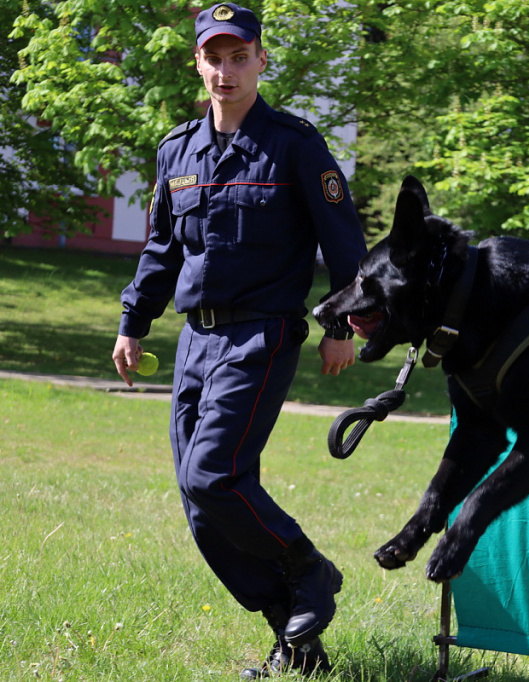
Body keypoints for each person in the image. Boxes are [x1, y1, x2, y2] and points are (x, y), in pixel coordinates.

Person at [110, 3, 367, 677]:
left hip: (261, 336)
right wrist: (134, 322)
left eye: (239, 57)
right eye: (214, 58)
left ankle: (309, 569)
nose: (226, 71)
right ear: (198, 64)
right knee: (201, 506)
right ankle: (296, 642)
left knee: (213, 476)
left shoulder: (295, 144)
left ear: (260, 60)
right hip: (195, 342)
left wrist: (341, 326)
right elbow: (162, 249)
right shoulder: (177, 151)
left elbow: (345, 245)